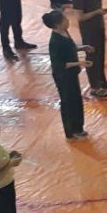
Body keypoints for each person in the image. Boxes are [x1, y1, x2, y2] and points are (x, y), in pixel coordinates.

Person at [44, 10, 90, 139]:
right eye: (65, 19)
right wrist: (80, 63)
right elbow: (60, 64)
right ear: (57, 25)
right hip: (63, 76)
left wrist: (82, 48)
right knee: (68, 102)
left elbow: (70, 48)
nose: (68, 20)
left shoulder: (65, 32)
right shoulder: (55, 42)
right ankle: (71, 131)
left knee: (76, 100)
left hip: (71, 74)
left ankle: (78, 127)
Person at [69, 0, 107, 97]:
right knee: (92, 56)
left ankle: (101, 80)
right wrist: (97, 12)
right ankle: (94, 87)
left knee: (100, 54)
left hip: (98, 26)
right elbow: (80, 17)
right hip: (89, 30)